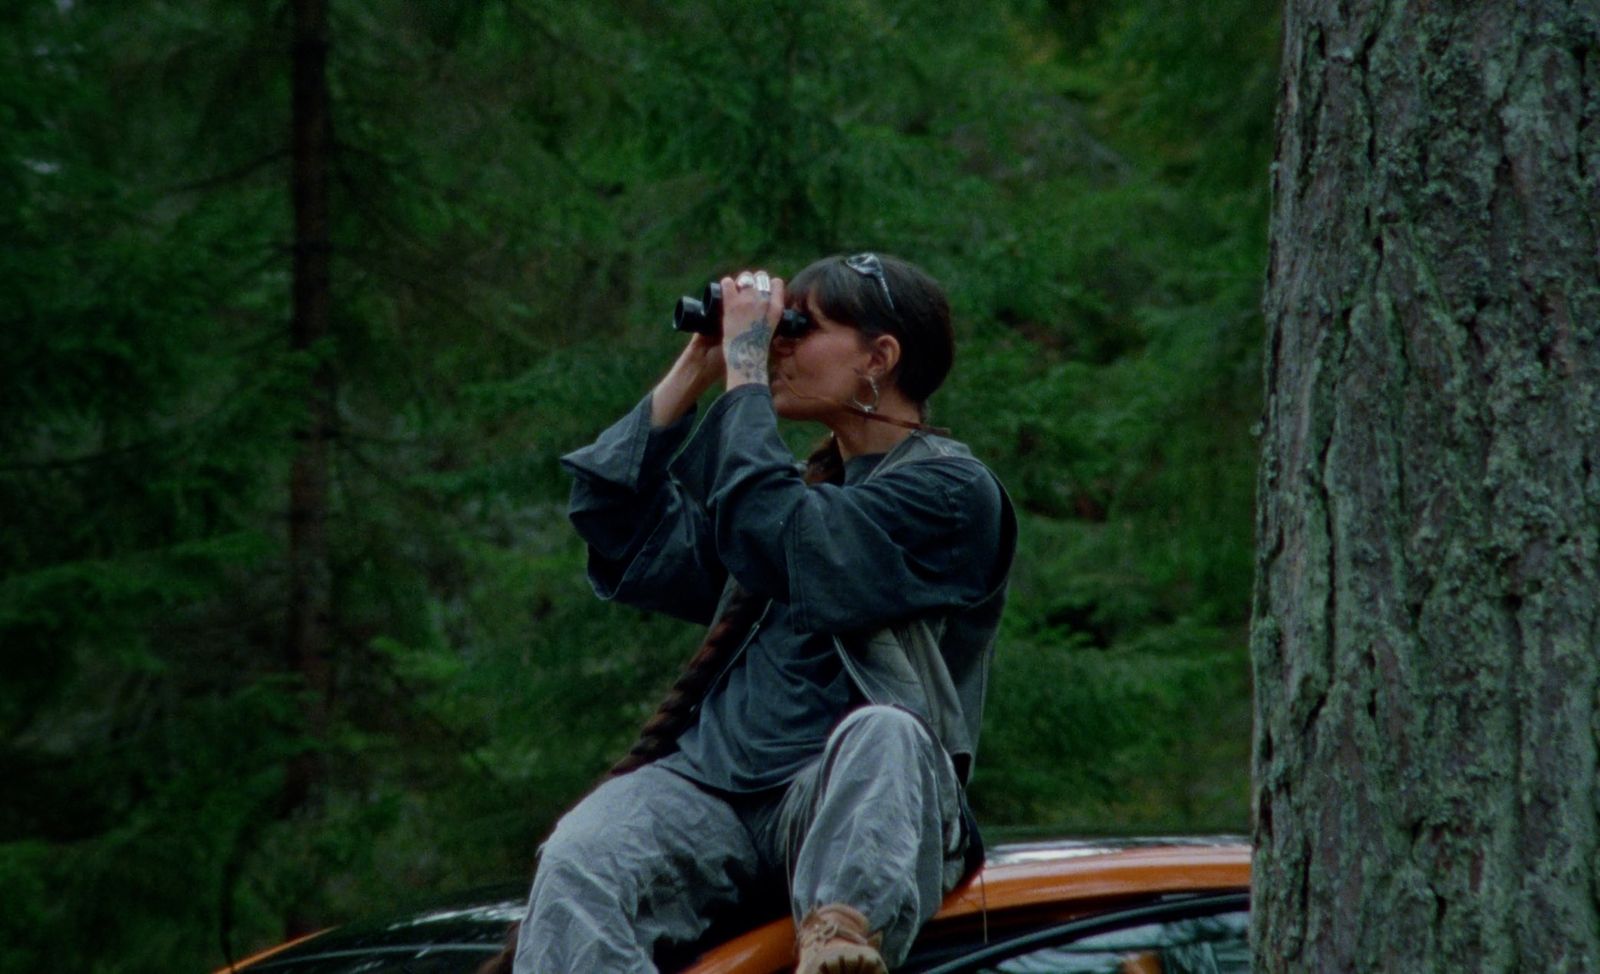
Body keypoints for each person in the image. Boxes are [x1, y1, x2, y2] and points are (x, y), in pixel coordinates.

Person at [509, 254, 1016, 974]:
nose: (779, 342)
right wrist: (701, 362)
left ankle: (841, 934)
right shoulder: (795, 489)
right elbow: (614, 519)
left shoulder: (952, 493)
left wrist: (747, 366)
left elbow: (781, 533)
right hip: (714, 790)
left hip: (839, 799)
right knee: (579, 855)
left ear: (880, 356)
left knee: (886, 730)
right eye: (780, 327)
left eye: (801, 328)